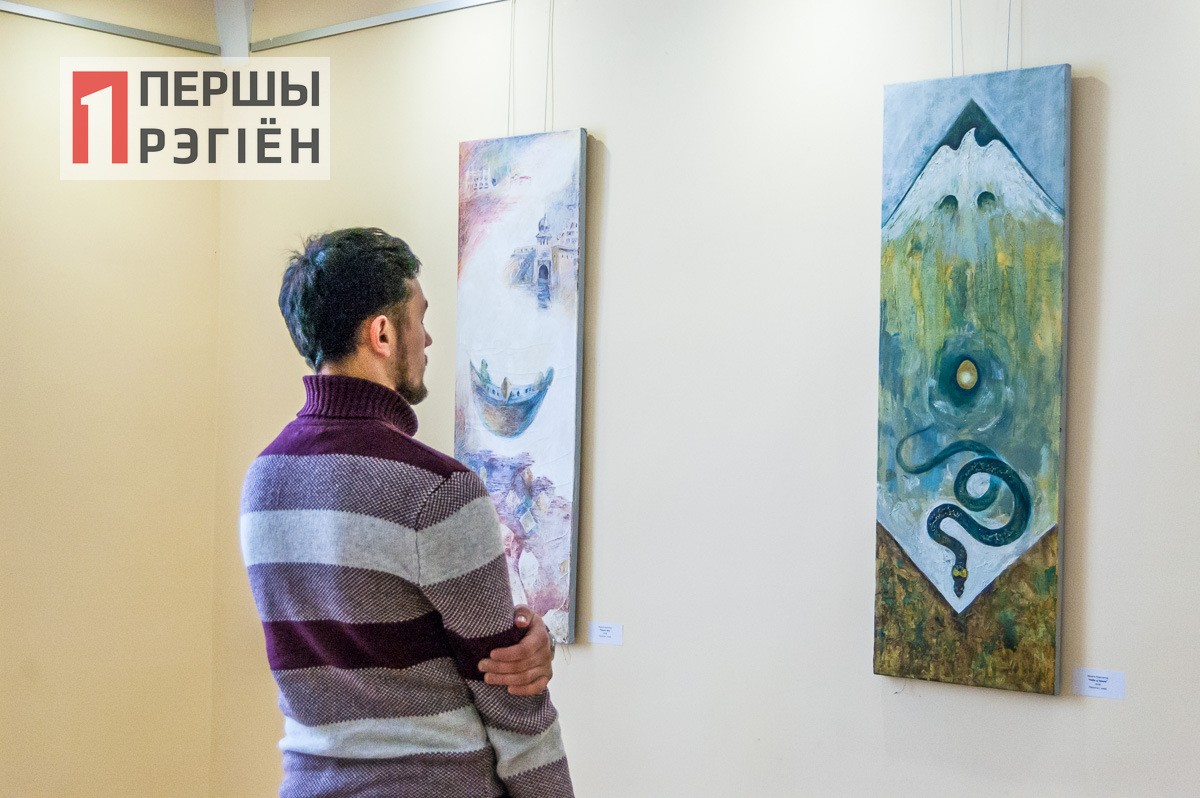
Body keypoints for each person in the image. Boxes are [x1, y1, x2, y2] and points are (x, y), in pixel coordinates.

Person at [240, 228, 573, 797]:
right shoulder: (439, 491)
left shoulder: (263, 482)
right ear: (383, 333)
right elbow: (512, 699)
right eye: (420, 317)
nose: (429, 338)